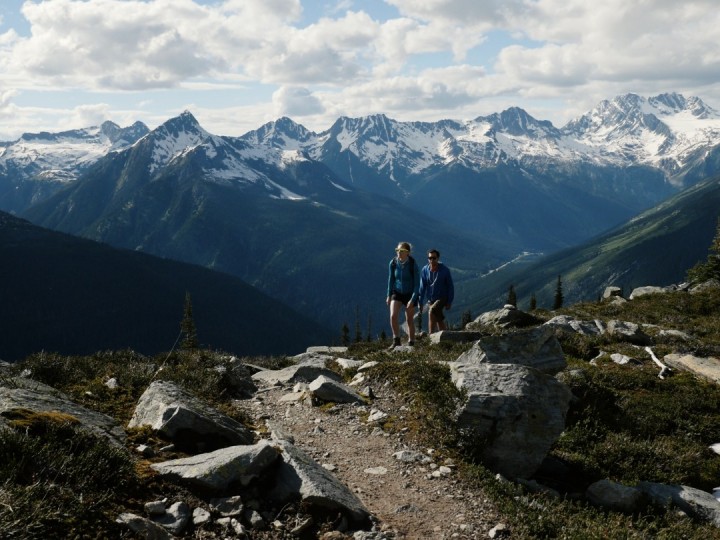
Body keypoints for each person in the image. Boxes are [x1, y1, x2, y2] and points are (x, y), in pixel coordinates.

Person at [386, 241, 420, 348]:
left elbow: (417, 284)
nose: (399, 252)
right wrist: (389, 295)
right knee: (393, 316)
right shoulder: (393, 263)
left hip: (410, 294)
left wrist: (413, 299)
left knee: (409, 319)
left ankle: (411, 342)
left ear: (408, 252)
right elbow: (391, 279)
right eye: (397, 250)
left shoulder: (412, 264)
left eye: (402, 251)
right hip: (397, 292)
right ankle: (396, 340)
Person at [419, 249, 454, 334]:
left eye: (434, 258)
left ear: (438, 258)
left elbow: (450, 286)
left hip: (442, 297)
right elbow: (422, 286)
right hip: (431, 298)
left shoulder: (444, 270)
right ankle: (445, 336)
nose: (431, 260)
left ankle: (431, 337)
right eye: (429, 258)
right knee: (437, 317)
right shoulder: (425, 270)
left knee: (432, 311)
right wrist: (420, 301)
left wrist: (449, 301)